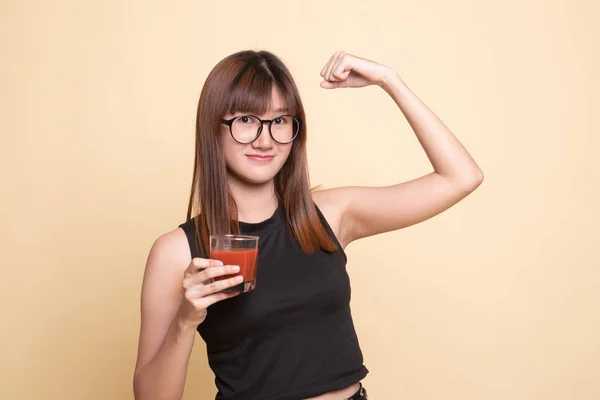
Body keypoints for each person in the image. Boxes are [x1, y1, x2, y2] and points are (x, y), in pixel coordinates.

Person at [133, 50, 484, 400]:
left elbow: (461, 177)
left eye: (280, 120)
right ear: (214, 127)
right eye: (245, 120)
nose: (265, 139)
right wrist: (186, 320)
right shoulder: (178, 251)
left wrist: (388, 80)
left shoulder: (331, 214)